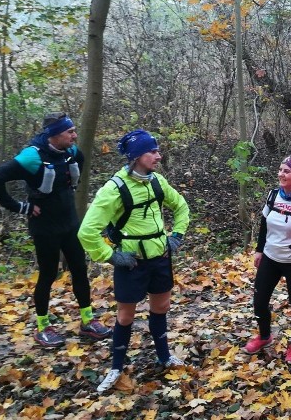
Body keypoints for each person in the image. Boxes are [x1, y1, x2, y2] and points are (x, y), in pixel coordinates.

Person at [0, 112, 111, 348]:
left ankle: (87, 320)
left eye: (74, 130)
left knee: (80, 269)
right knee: (48, 274)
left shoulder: (71, 151)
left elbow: (80, 161)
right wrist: (20, 207)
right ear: (54, 135)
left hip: (70, 222)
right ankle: (43, 327)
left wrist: (72, 185)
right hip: (45, 226)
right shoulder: (32, 156)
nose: (75, 135)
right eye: (70, 132)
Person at [77, 129, 190, 393]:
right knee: (126, 316)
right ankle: (116, 367)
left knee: (161, 307)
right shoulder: (113, 189)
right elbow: (87, 231)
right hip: (132, 263)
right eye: (153, 152)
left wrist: (177, 235)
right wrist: (110, 256)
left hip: (161, 258)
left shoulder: (158, 182)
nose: (158, 156)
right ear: (137, 155)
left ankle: (164, 356)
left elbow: (181, 206)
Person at [243, 155, 291, 364]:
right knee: (259, 302)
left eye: (286, 171)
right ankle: (265, 335)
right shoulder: (273, 195)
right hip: (270, 258)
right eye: (280, 169)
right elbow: (264, 222)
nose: (281, 174)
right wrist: (259, 250)